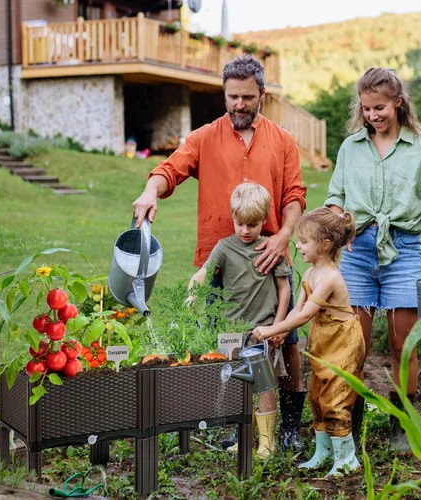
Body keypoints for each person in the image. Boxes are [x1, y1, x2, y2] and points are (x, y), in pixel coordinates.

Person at [133, 54, 307, 451]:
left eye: (247, 97)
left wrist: (283, 237)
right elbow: (169, 170)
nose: (239, 105)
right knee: (227, 344)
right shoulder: (204, 137)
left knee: (287, 343)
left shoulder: (283, 141)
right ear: (223, 94)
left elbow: (295, 195)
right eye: (232, 97)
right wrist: (149, 191)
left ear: (262, 94)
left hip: (269, 259)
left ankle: (291, 426)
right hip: (219, 264)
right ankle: (236, 423)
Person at [324, 67, 421, 451]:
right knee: (354, 345)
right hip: (357, 250)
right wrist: (338, 223)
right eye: (366, 109)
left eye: (379, 107)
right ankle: (349, 423)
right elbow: (336, 197)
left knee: (404, 344)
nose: (372, 116)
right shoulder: (352, 147)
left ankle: (404, 423)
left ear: (398, 102)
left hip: (403, 251)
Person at [253, 207, 365, 476]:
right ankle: (324, 452)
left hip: (344, 343)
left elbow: (304, 315)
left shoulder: (330, 277)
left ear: (325, 245)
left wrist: (270, 330)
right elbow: (296, 310)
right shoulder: (311, 274)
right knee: (317, 396)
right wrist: (279, 329)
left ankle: (347, 459)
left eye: (304, 241)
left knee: (336, 398)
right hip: (324, 343)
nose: (298, 246)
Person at [188, 182, 291, 458]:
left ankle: (267, 442)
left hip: (262, 331)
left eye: (253, 224)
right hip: (232, 330)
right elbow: (206, 272)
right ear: (233, 218)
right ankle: (243, 436)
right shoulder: (224, 247)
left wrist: (277, 326)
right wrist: (194, 288)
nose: (245, 231)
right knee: (237, 385)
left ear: (263, 221)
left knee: (264, 385)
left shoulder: (270, 248)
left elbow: (284, 288)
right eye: (240, 223)